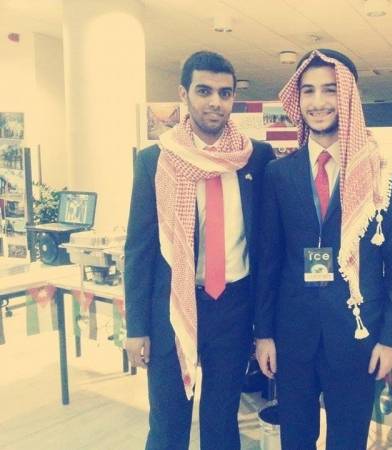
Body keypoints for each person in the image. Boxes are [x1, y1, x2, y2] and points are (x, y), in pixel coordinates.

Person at [254, 49, 392, 449]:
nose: (318, 101)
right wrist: (264, 334)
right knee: (296, 439)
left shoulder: (384, 170)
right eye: (308, 91)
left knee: (348, 441)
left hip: (357, 334)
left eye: (330, 89)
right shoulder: (279, 173)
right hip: (293, 334)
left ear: (349, 97)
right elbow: (269, 261)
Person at [124, 50, 274, 450]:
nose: (215, 102)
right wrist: (136, 327)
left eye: (225, 93)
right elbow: (138, 249)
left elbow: (266, 248)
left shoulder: (255, 157)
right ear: (184, 94)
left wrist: (264, 326)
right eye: (204, 91)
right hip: (173, 309)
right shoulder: (155, 161)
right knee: (168, 423)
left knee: (222, 422)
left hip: (234, 308)